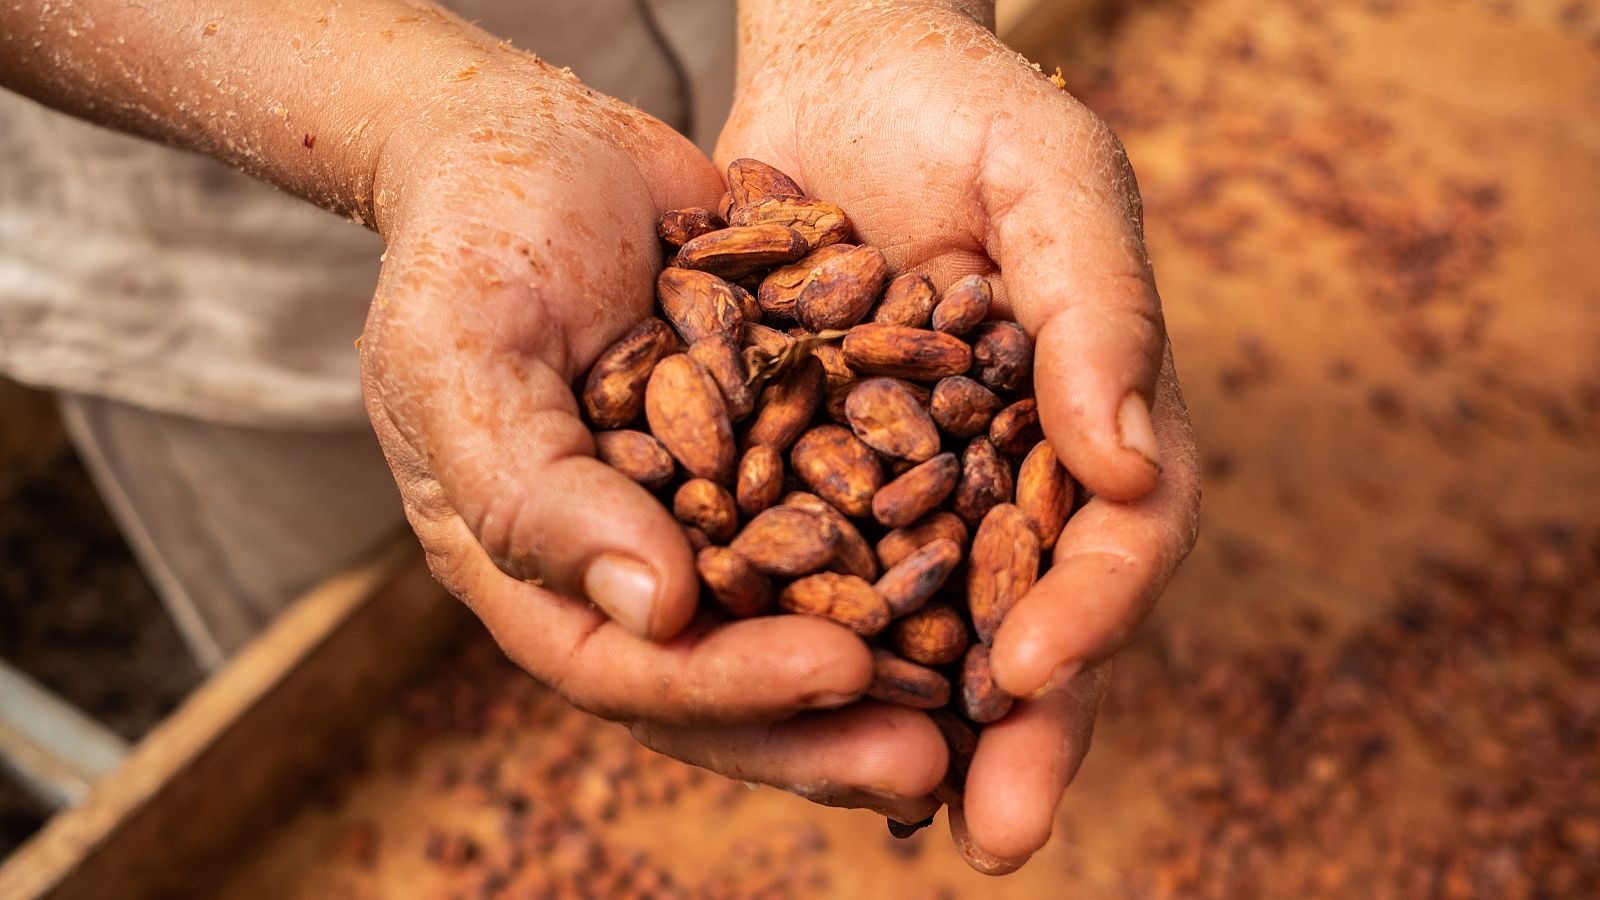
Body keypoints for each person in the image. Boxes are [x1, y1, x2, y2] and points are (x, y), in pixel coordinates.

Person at [0, 0, 1200, 874]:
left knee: (645, 587)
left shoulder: (798, 372)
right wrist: (418, 123)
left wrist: (865, 19)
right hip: (237, 249)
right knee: (354, 669)